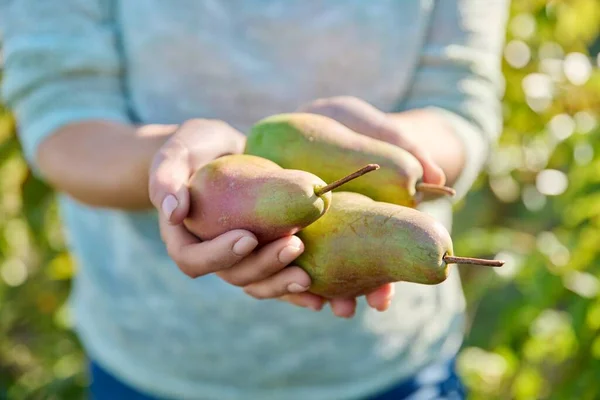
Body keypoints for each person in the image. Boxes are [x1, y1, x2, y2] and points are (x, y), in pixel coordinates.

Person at [0, 1, 509, 399]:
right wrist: (172, 169)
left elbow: (460, 98)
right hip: (156, 361)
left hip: (396, 365)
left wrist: (401, 153)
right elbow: (60, 115)